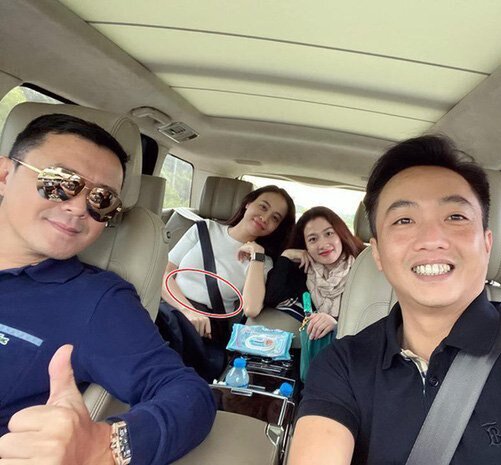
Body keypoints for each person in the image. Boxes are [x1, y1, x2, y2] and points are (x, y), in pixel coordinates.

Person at [288, 135, 501, 464]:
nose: (432, 239)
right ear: (377, 254)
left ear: (486, 243)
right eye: (404, 220)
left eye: (456, 217)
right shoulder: (342, 365)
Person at [0, 113, 216, 465]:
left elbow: (189, 395)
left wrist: (104, 445)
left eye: (102, 199)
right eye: (59, 181)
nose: (78, 207)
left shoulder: (94, 301)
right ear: (5, 175)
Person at [161, 185, 295, 345]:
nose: (265, 218)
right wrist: (187, 310)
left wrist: (257, 255)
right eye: (263, 207)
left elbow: (251, 309)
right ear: (248, 203)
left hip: (204, 328)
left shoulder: (262, 261)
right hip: (169, 306)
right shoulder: (205, 228)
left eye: (275, 218)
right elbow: (164, 273)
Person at [265, 206, 364, 340]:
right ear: (305, 245)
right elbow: (272, 297)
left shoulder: (366, 266)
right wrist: (286, 256)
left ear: (341, 234)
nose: (323, 244)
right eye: (312, 239)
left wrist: (337, 325)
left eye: (329, 233)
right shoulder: (303, 271)